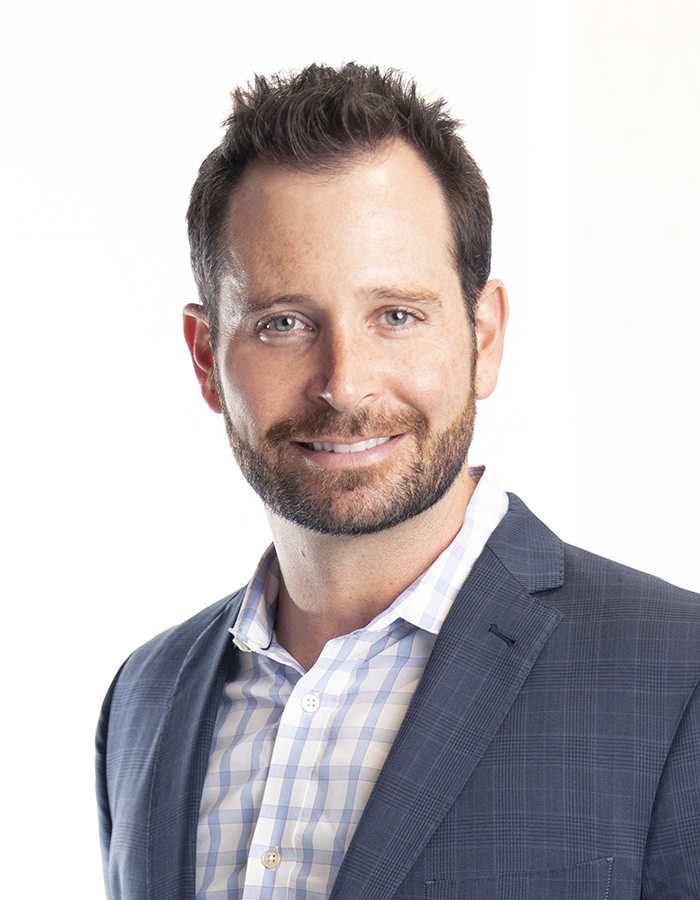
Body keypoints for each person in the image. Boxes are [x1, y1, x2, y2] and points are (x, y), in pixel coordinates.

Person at [96, 63, 700, 900]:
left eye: (398, 315)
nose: (345, 384)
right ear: (206, 358)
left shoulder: (677, 677)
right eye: (283, 323)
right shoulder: (142, 698)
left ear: (484, 338)